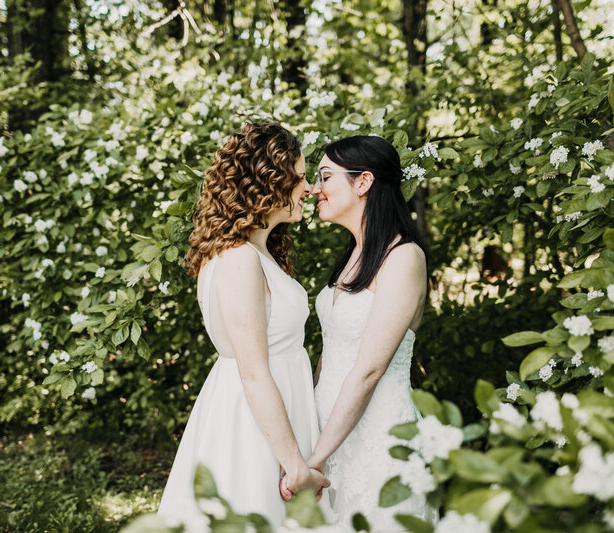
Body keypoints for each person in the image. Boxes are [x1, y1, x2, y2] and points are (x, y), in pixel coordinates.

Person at [157, 122, 329, 528]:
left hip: (279, 408)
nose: (308, 188)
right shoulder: (238, 259)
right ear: (269, 181)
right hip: (254, 423)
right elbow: (252, 371)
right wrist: (294, 466)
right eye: (300, 177)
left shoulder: (257, 251)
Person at [281, 135, 430, 530]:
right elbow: (331, 355)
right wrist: (309, 436)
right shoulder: (353, 255)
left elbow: (367, 371)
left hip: (376, 436)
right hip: (326, 428)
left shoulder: (403, 258)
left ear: (363, 182)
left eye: (325, 176)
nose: (314, 188)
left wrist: (315, 461)